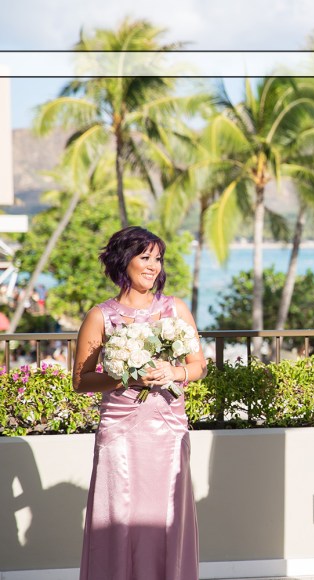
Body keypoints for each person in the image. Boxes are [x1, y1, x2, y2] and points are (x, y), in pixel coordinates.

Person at [73, 226, 207, 580]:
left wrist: (174, 372)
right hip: (120, 433)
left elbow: (199, 366)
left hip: (167, 431)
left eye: (158, 259)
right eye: (145, 257)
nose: (153, 266)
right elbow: (81, 381)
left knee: (167, 517)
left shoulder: (175, 309)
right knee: (117, 516)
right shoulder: (100, 316)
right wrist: (126, 378)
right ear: (123, 261)